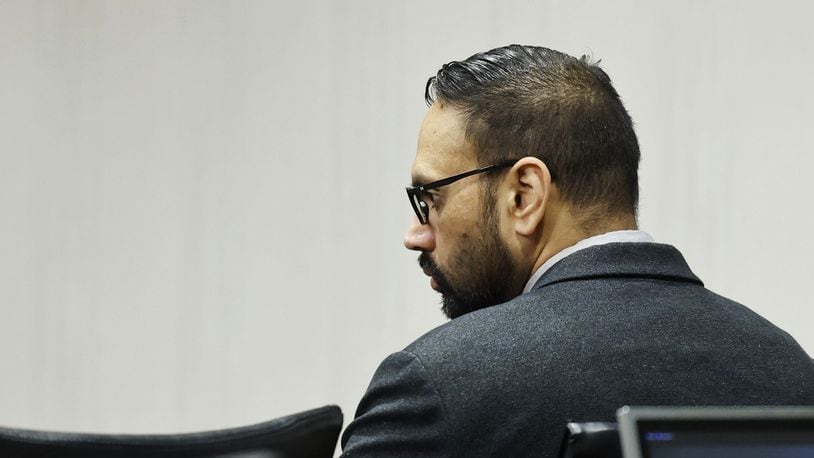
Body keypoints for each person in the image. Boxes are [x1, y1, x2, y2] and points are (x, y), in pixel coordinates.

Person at [340, 45, 814, 457]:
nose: (415, 234)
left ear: (524, 195)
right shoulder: (791, 371)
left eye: (430, 198)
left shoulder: (436, 388)